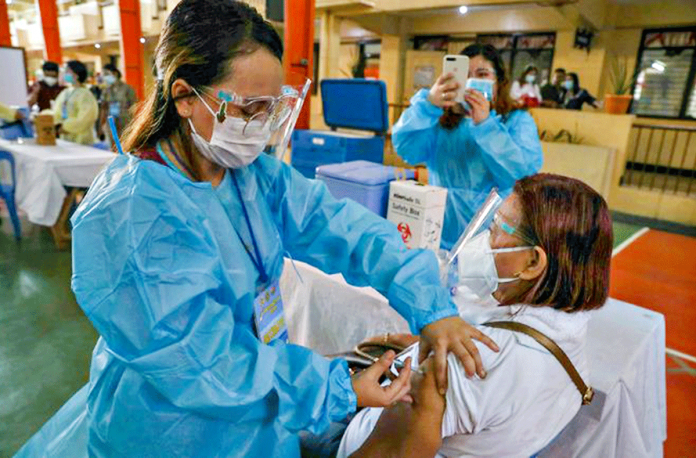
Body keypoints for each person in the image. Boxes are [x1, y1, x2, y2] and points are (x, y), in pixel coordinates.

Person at [63, 1, 499, 457]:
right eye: (248, 108)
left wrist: (430, 303)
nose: (261, 127)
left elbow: (342, 226)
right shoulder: (134, 213)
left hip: (257, 417)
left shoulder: (246, 174)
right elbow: (200, 361)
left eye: (273, 108)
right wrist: (336, 390)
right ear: (185, 96)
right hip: (174, 430)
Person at [337, 173, 613, 458]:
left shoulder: (464, 360)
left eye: (496, 227)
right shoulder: (570, 334)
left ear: (532, 262)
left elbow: (386, 452)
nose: (484, 239)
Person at [392, 43, 543, 251]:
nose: (472, 82)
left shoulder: (516, 121)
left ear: (499, 81)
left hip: (493, 237)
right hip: (440, 231)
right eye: (466, 75)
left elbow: (523, 176)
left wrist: (486, 126)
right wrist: (428, 105)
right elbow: (406, 149)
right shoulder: (440, 122)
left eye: (482, 74)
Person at [52, 60, 99, 145]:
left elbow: (86, 119)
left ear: (76, 74)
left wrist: (65, 127)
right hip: (65, 137)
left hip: (81, 138)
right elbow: (56, 111)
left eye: (67, 71)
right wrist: (57, 125)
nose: (65, 73)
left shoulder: (85, 94)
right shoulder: (65, 92)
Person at [98, 63, 137, 147]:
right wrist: (100, 126)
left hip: (125, 122)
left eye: (106, 74)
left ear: (114, 73)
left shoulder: (127, 89)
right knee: (112, 146)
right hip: (110, 123)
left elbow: (134, 107)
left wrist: (134, 124)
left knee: (126, 146)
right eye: (103, 75)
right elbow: (103, 108)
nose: (105, 77)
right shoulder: (106, 91)